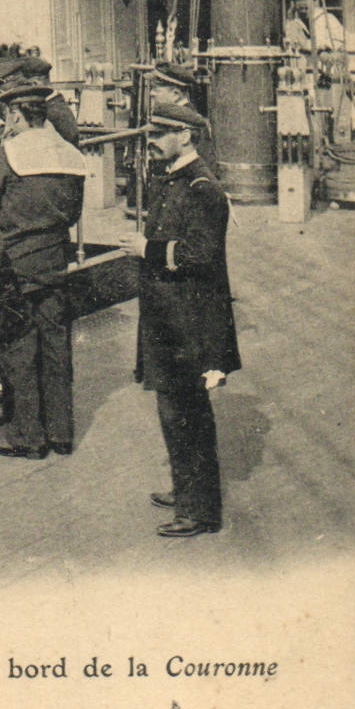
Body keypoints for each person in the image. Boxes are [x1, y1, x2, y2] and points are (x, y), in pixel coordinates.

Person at [120, 103, 240, 538]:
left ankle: (200, 511)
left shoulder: (202, 188)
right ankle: (185, 490)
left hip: (188, 323)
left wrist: (146, 250)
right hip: (170, 319)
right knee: (174, 412)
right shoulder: (176, 180)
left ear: (185, 136)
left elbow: (200, 255)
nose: (151, 139)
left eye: (161, 132)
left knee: (186, 414)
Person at [0, 84, 86, 460]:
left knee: (18, 348)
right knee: (56, 347)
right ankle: (60, 433)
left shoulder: (10, 152)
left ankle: (27, 435)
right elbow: (74, 213)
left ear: (17, 116)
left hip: (15, 263)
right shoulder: (71, 155)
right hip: (55, 258)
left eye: (9, 117)